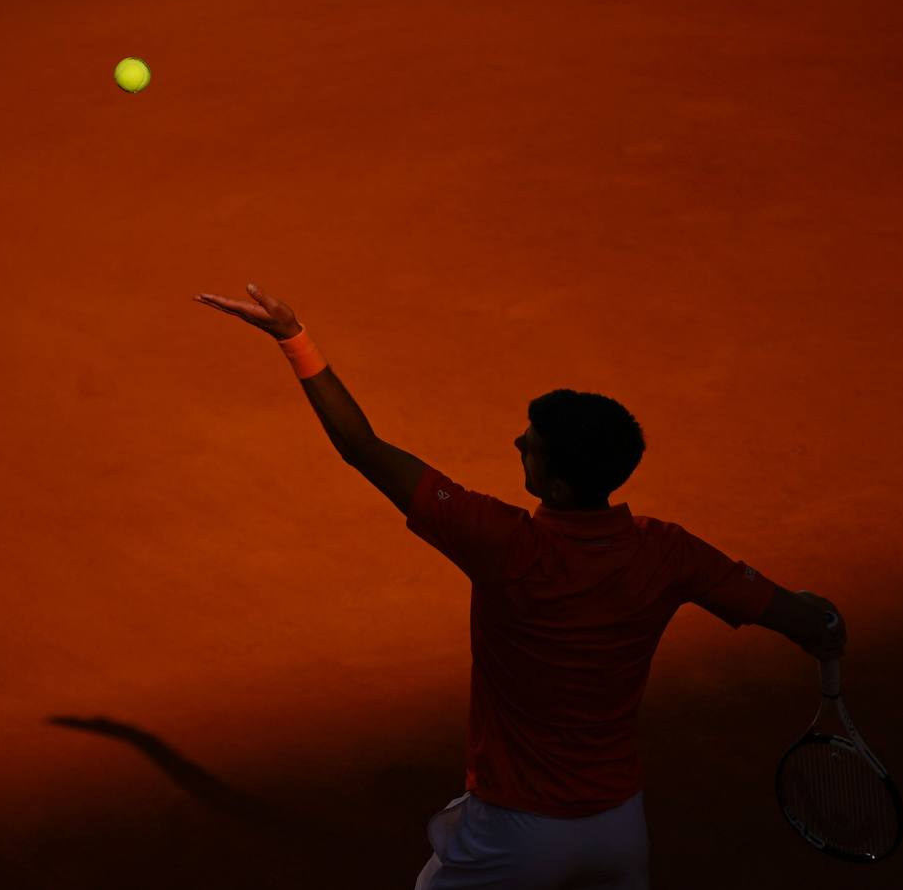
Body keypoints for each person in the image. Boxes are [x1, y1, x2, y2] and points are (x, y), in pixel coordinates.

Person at [192, 288, 848, 890]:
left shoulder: (504, 545)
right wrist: (821, 623)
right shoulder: (669, 552)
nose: (516, 442)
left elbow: (362, 447)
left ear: (556, 486)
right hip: (619, 829)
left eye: (529, 446)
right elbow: (798, 617)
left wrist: (293, 337)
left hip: (515, 835)